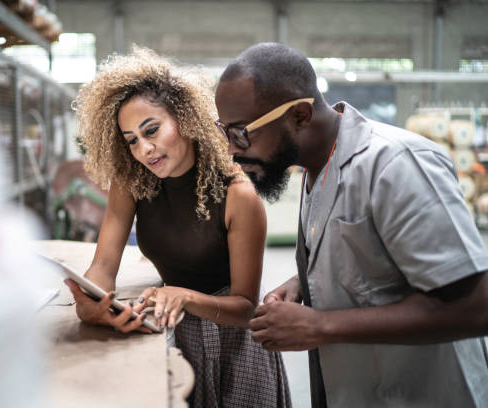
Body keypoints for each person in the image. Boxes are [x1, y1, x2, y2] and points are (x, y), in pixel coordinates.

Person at [214, 42, 488, 408]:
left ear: (299, 116)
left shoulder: (396, 165)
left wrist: (318, 326)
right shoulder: (317, 169)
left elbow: (476, 307)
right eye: (225, 132)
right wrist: (306, 279)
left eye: (242, 133)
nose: (232, 149)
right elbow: (371, 250)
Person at [64, 46, 291, 408]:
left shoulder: (238, 195)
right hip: (173, 330)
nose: (144, 149)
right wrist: (93, 306)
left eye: (151, 130)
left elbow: (247, 307)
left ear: (185, 119)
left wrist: (183, 296)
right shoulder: (132, 183)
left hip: (235, 347)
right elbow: (104, 267)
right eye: (132, 140)